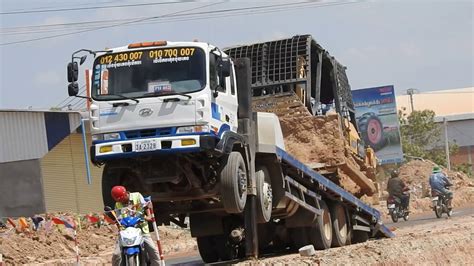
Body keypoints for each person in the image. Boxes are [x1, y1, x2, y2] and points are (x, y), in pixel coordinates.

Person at [111, 186, 160, 266]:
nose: (121, 202)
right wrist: (116, 222)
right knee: (116, 255)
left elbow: (146, 206)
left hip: (141, 228)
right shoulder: (118, 204)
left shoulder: (137, 196)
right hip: (126, 232)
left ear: (125, 194)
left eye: (121, 199)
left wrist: (148, 216)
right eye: (118, 200)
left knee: (153, 251)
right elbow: (118, 217)